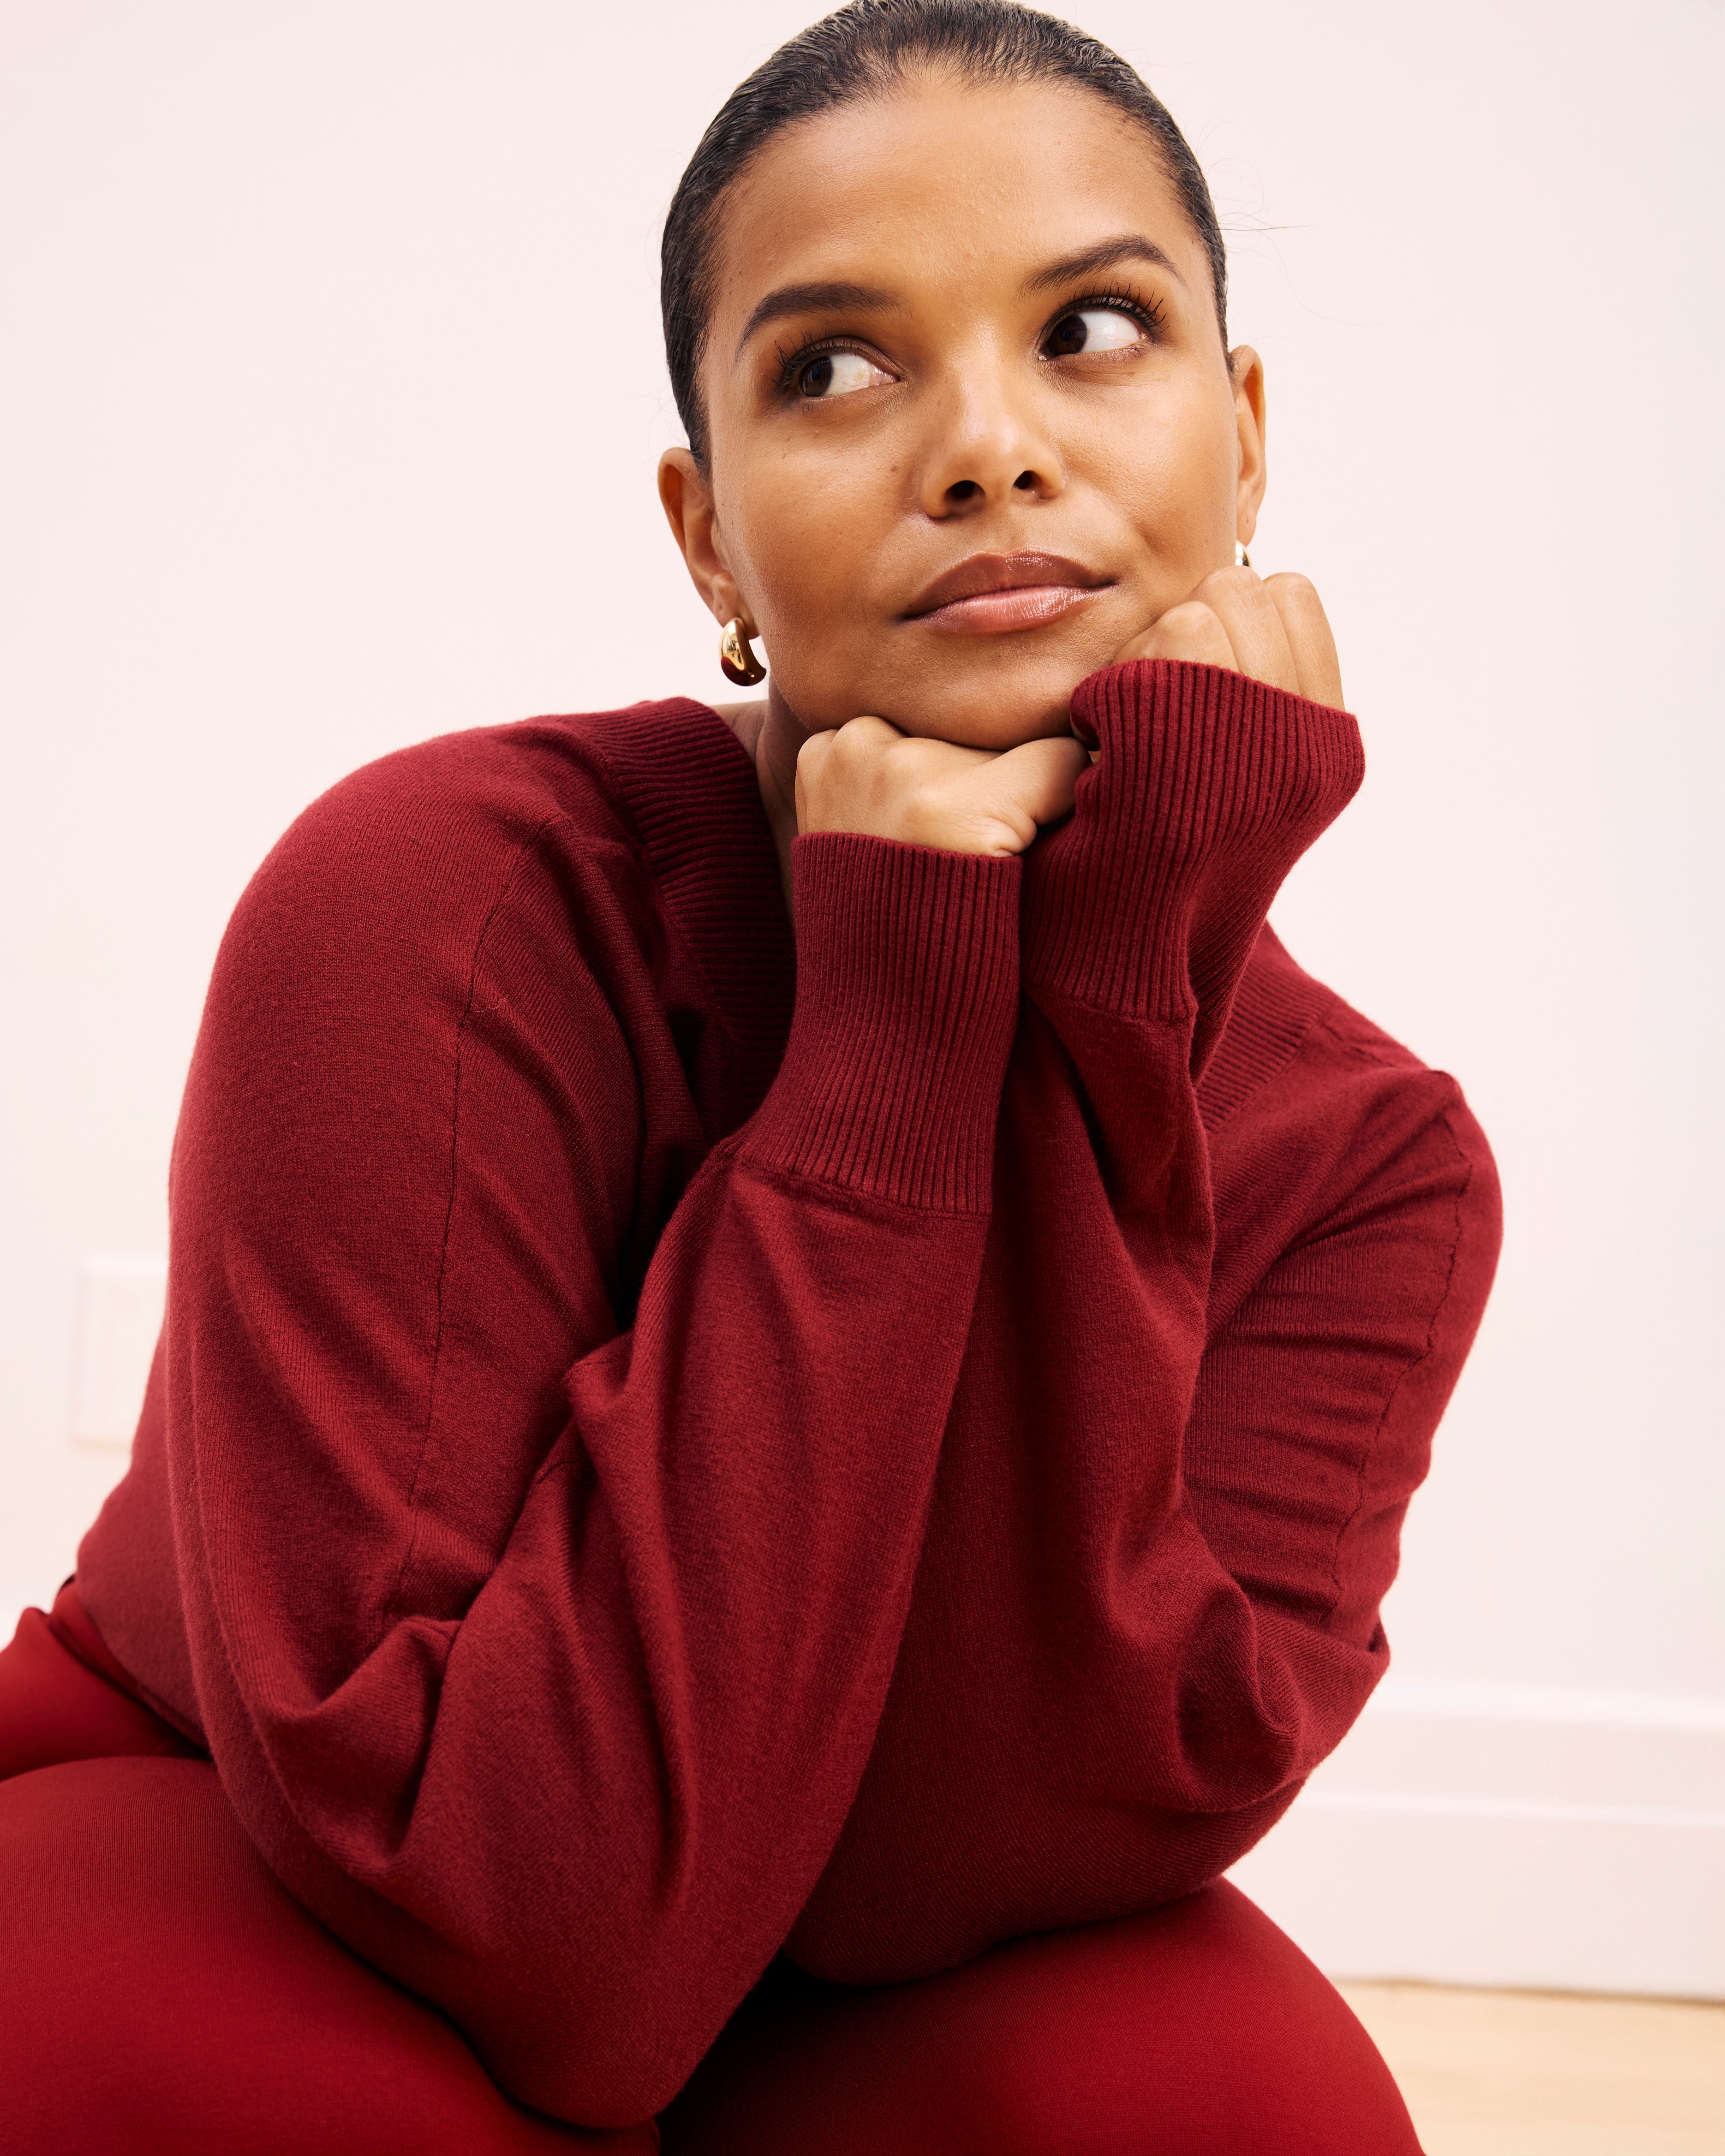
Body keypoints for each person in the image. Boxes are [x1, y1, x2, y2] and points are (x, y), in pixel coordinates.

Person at [0, 2, 1501, 2148]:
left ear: (1240, 432)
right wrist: (885, 1035)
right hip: (277, 1853)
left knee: (1229, 2106)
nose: (984, 445)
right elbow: (529, 1920)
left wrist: (1103, 991)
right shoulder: (443, 899)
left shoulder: (1375, 1169)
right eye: (833, 365)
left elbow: (973, 1842)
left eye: (1090, 328)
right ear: (707, 538)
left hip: (862, 1935)